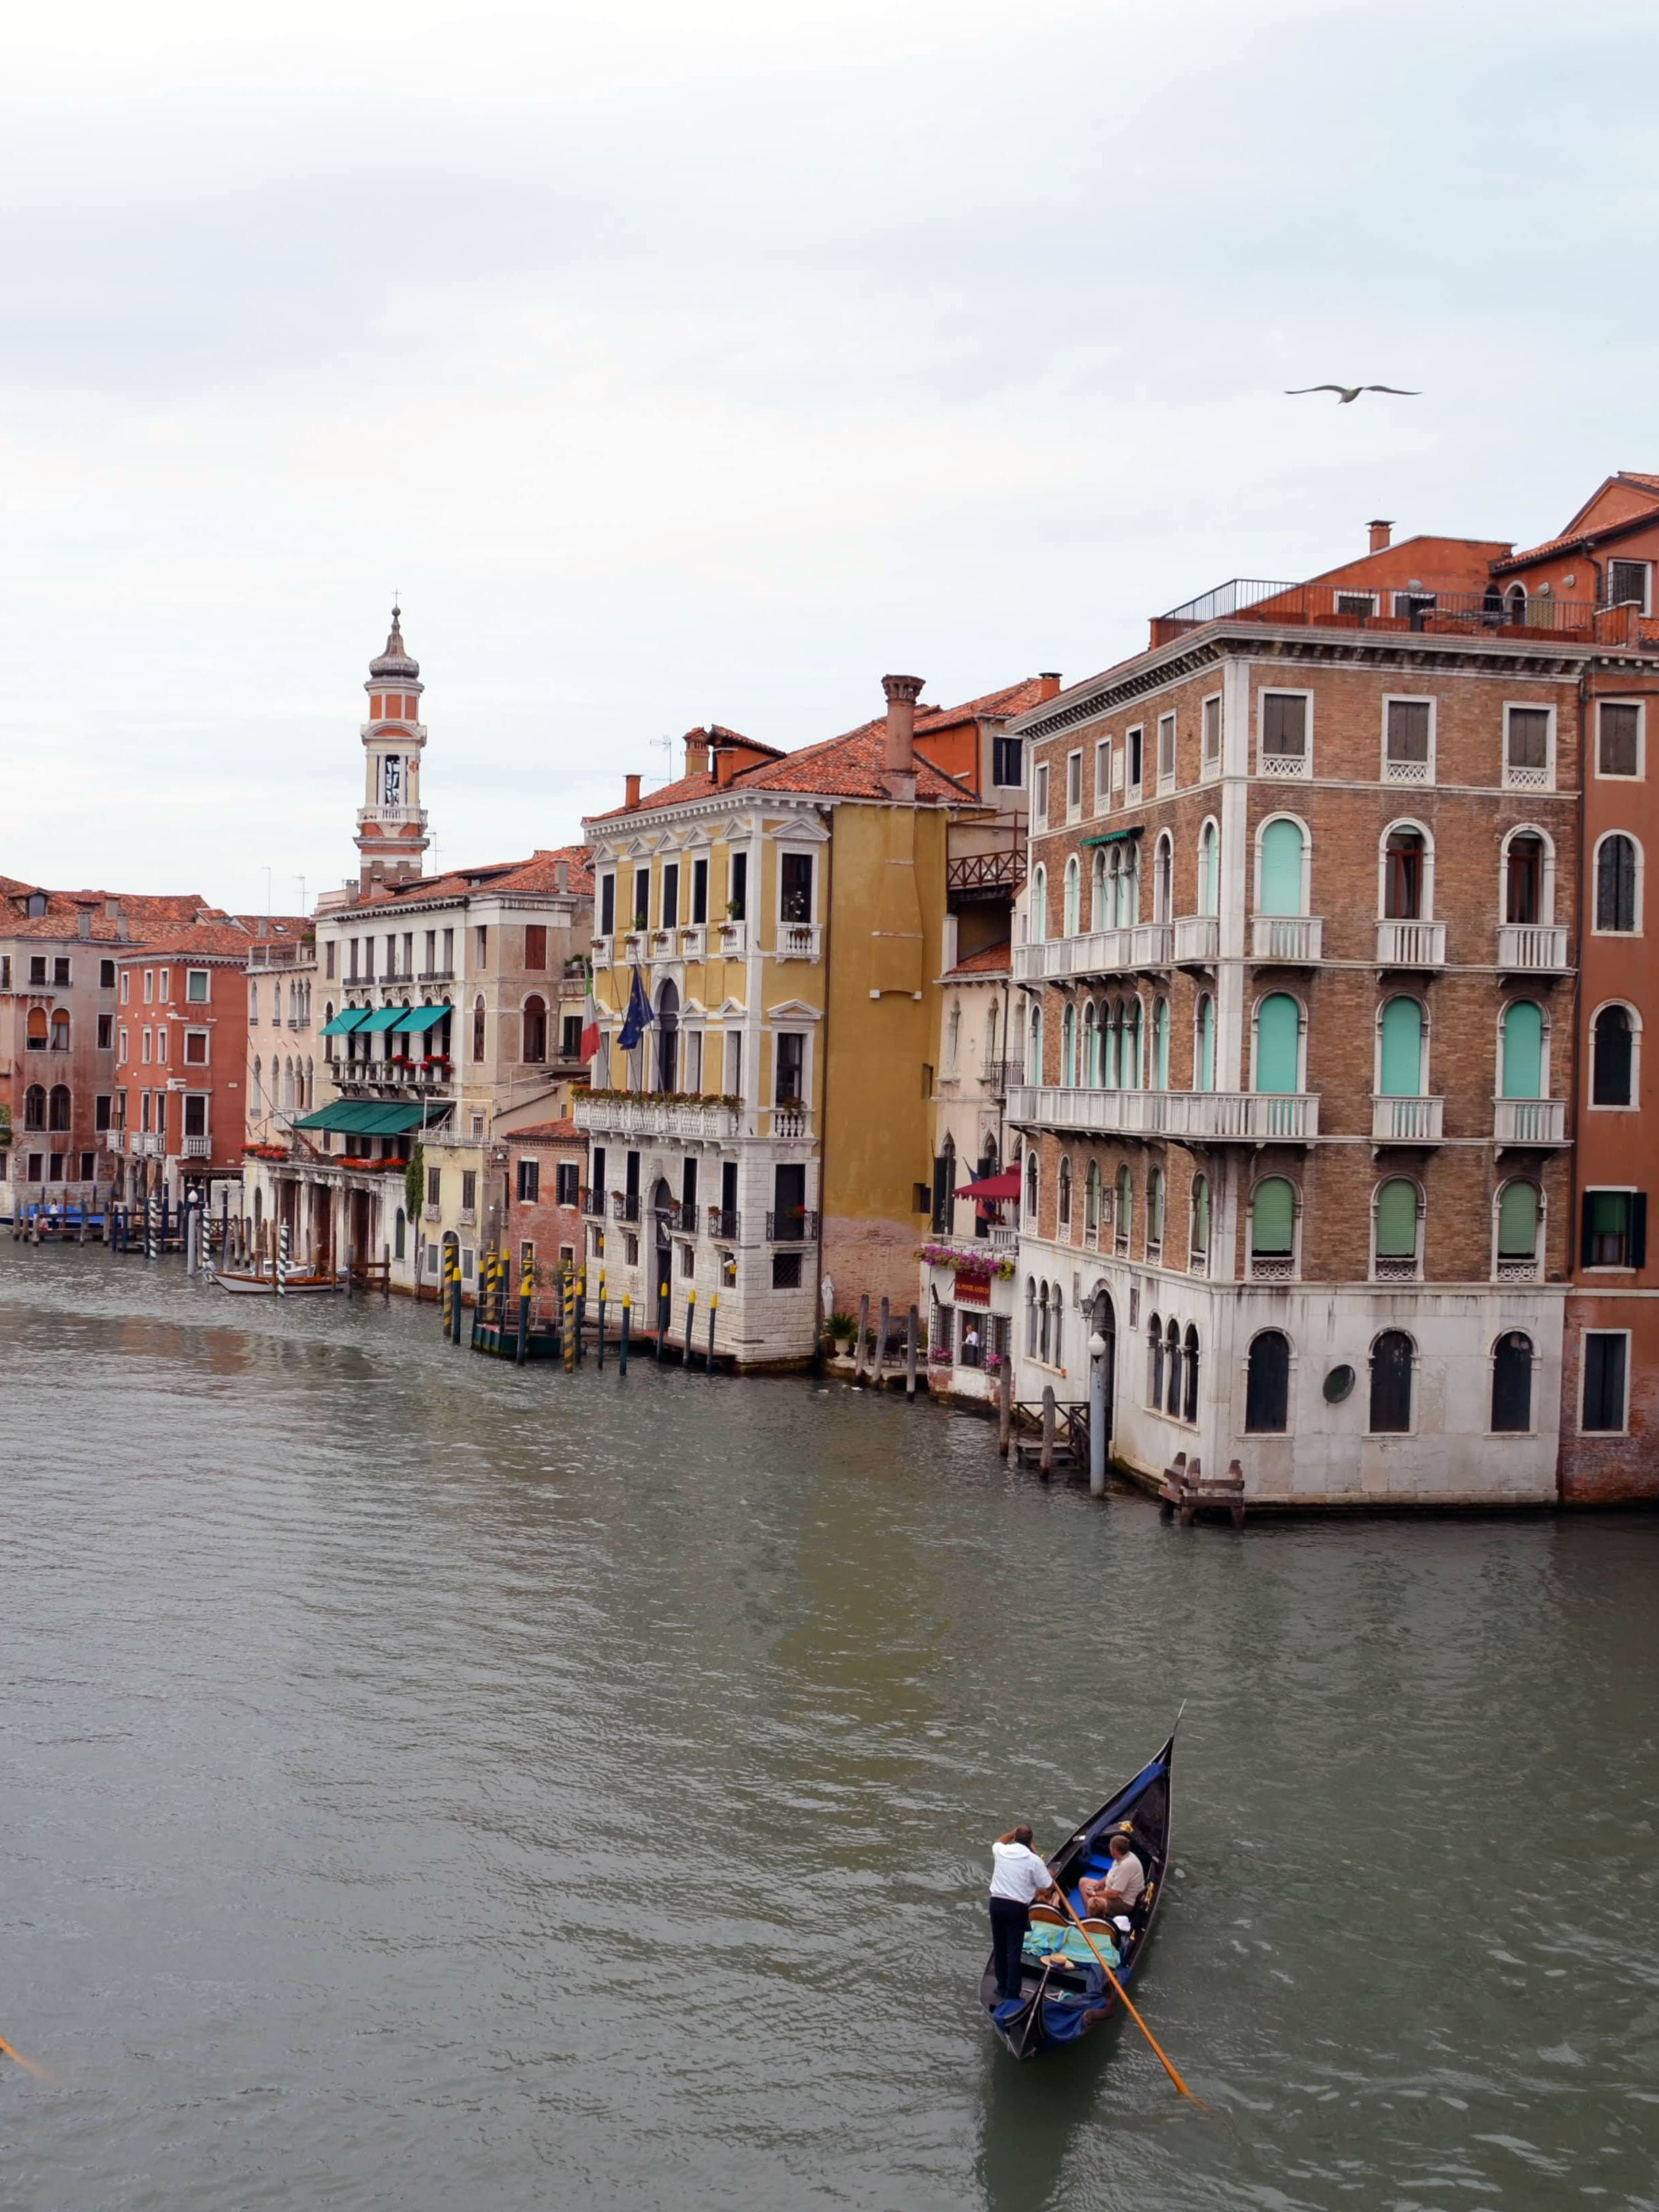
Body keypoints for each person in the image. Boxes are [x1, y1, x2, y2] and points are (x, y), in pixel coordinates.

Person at [988, 1824, 1057, 2003]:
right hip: (1016, 1908)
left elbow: (999, 1841)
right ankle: (1012, 1993)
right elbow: (1047, 1885)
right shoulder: (1034, 1861)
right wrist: (1048, 1873)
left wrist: (1012, 1831)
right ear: (1031, 1841)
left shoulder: (1002, 1851)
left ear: (1015, 1837)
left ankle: (1001, 1986)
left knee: (1000, 1946)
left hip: (996, 1904)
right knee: (1014, 1949)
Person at [1080, 1831, 1145, 1921]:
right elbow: (1110, 1875)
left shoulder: (1125, 1866)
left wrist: (1094, 1894)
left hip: (1123, 1902)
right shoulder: (1121, 1857)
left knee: (1094, 1904)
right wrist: (1098, 1885)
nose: (1109, 1848)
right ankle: (1090, 1916)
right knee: (1083, 1882)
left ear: (1114, 1851)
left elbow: (1114, 1894)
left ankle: (1093, 1921)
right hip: (1112, 1891)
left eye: (1110, 1846)